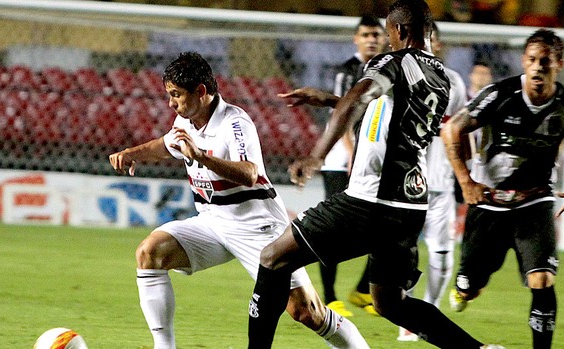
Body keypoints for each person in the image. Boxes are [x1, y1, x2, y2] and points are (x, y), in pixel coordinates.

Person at [247, 1, 503, 348]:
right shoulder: (442, 78)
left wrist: (316, 156)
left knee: (273, 257)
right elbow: (388, 113)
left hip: (370, 201)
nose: (386, 40)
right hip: (410, 206)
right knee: (389, 302)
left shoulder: (393, 62)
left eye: (387, 33)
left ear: (398, 31)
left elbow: (361, 98)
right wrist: (330, 99)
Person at [108, 52, 369, 349]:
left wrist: (202, 157)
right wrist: (132, 154)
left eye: (176, 95)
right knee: (150, 252)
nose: (171, 103)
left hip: (257, 226)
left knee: (306, 312)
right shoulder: (187, 120)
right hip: (213, 222)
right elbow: (165, 146)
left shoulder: (235, 122)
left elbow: (250, 173)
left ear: (201, 92)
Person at [442, 28, 564, 349]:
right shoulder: (500, 95)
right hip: (489, 203)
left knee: (542, 279)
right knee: (470, 286)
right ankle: (464, 288)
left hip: (534, 202)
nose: (538, 67)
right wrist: (466, 181)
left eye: (546, 62)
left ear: (559, 65)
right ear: (524, 61)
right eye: (532, 60)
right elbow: (452, 129)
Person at [396, 21, 468, 342]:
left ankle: (430, 310)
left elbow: (463, 134)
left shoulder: (455, 83)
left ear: (437, 44)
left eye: (431, 40)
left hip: (439, 183)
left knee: (440, 252)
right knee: (399, 254)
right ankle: (405, 314)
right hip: (403, 183)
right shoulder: (398, 76)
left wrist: (466, 174)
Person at [318, 14, 386, 318]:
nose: (371, 39)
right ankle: (330, 297)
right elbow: (343, 113)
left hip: (371, 159)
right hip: (342, 161)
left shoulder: (386, 68)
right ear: (356, 39)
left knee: (383, 226)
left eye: (376, 34)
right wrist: (350, 153)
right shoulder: (349, 71)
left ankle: (361, 291)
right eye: (366, 34)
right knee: (334, 230)